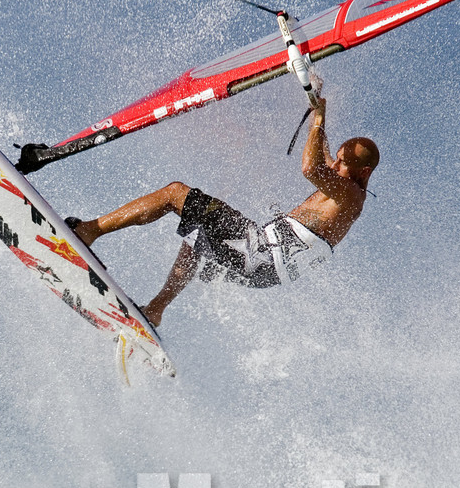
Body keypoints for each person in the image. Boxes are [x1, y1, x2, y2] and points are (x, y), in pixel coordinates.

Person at [70, 94, 376, 327]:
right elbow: (322, 155)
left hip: (262, 255)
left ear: (363, 172)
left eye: (342, 164)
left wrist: (319, 120)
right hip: (265, 265)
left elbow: (311, 167)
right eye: (336, 160)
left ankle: (89, 231)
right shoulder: (345, 188)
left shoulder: (350, 195)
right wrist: (315, 101)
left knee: (175, 194)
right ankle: (155, 310)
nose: (335, 166)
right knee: (197, 238)